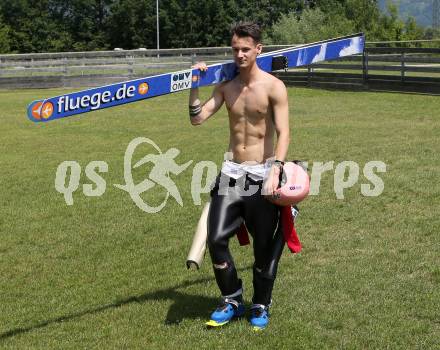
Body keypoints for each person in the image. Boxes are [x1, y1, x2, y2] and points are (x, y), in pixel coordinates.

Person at [188, 21, 290, 329]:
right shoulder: (226, 87)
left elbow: (284, 132)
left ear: (258, 49)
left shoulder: (273, 87)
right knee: (217, 238)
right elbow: (197, 118)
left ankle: (260, 304)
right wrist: (194, 84)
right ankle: (232, 296)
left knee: (262, 247)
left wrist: (277, 168)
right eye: (235, 49)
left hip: (262, 174)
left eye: (246, 49)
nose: (240, 54)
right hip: (231, 173)